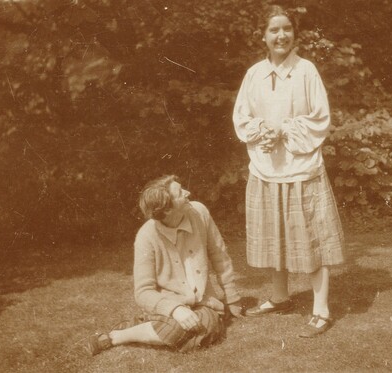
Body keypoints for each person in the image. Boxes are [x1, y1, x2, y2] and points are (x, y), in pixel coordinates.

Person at [232, 5, 345, 338]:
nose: (281, 35)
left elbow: (320, 118)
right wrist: (261, 130)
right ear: (263, 37)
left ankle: (321, 310)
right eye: (274, 30)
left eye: (286, 29)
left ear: (294, 34)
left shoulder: (306, 71)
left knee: (312, 238)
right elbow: (242, 117)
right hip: (267, 168)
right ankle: (280, 297)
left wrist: (283, 129)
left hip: (300, 168)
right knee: (275, 236)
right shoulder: (253, 74)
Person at [87, 175, 243, 355]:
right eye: (180, 193)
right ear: (166, 210)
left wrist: (232, 298)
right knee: (190, 328)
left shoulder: (199, 212)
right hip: (168, 302)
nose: (188, 193)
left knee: (208, 323)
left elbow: (219, 255)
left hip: (203, 302)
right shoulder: (146, 237)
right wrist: (175, 309)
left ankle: (131, 330)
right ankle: (117, 337)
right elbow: (143, 292)